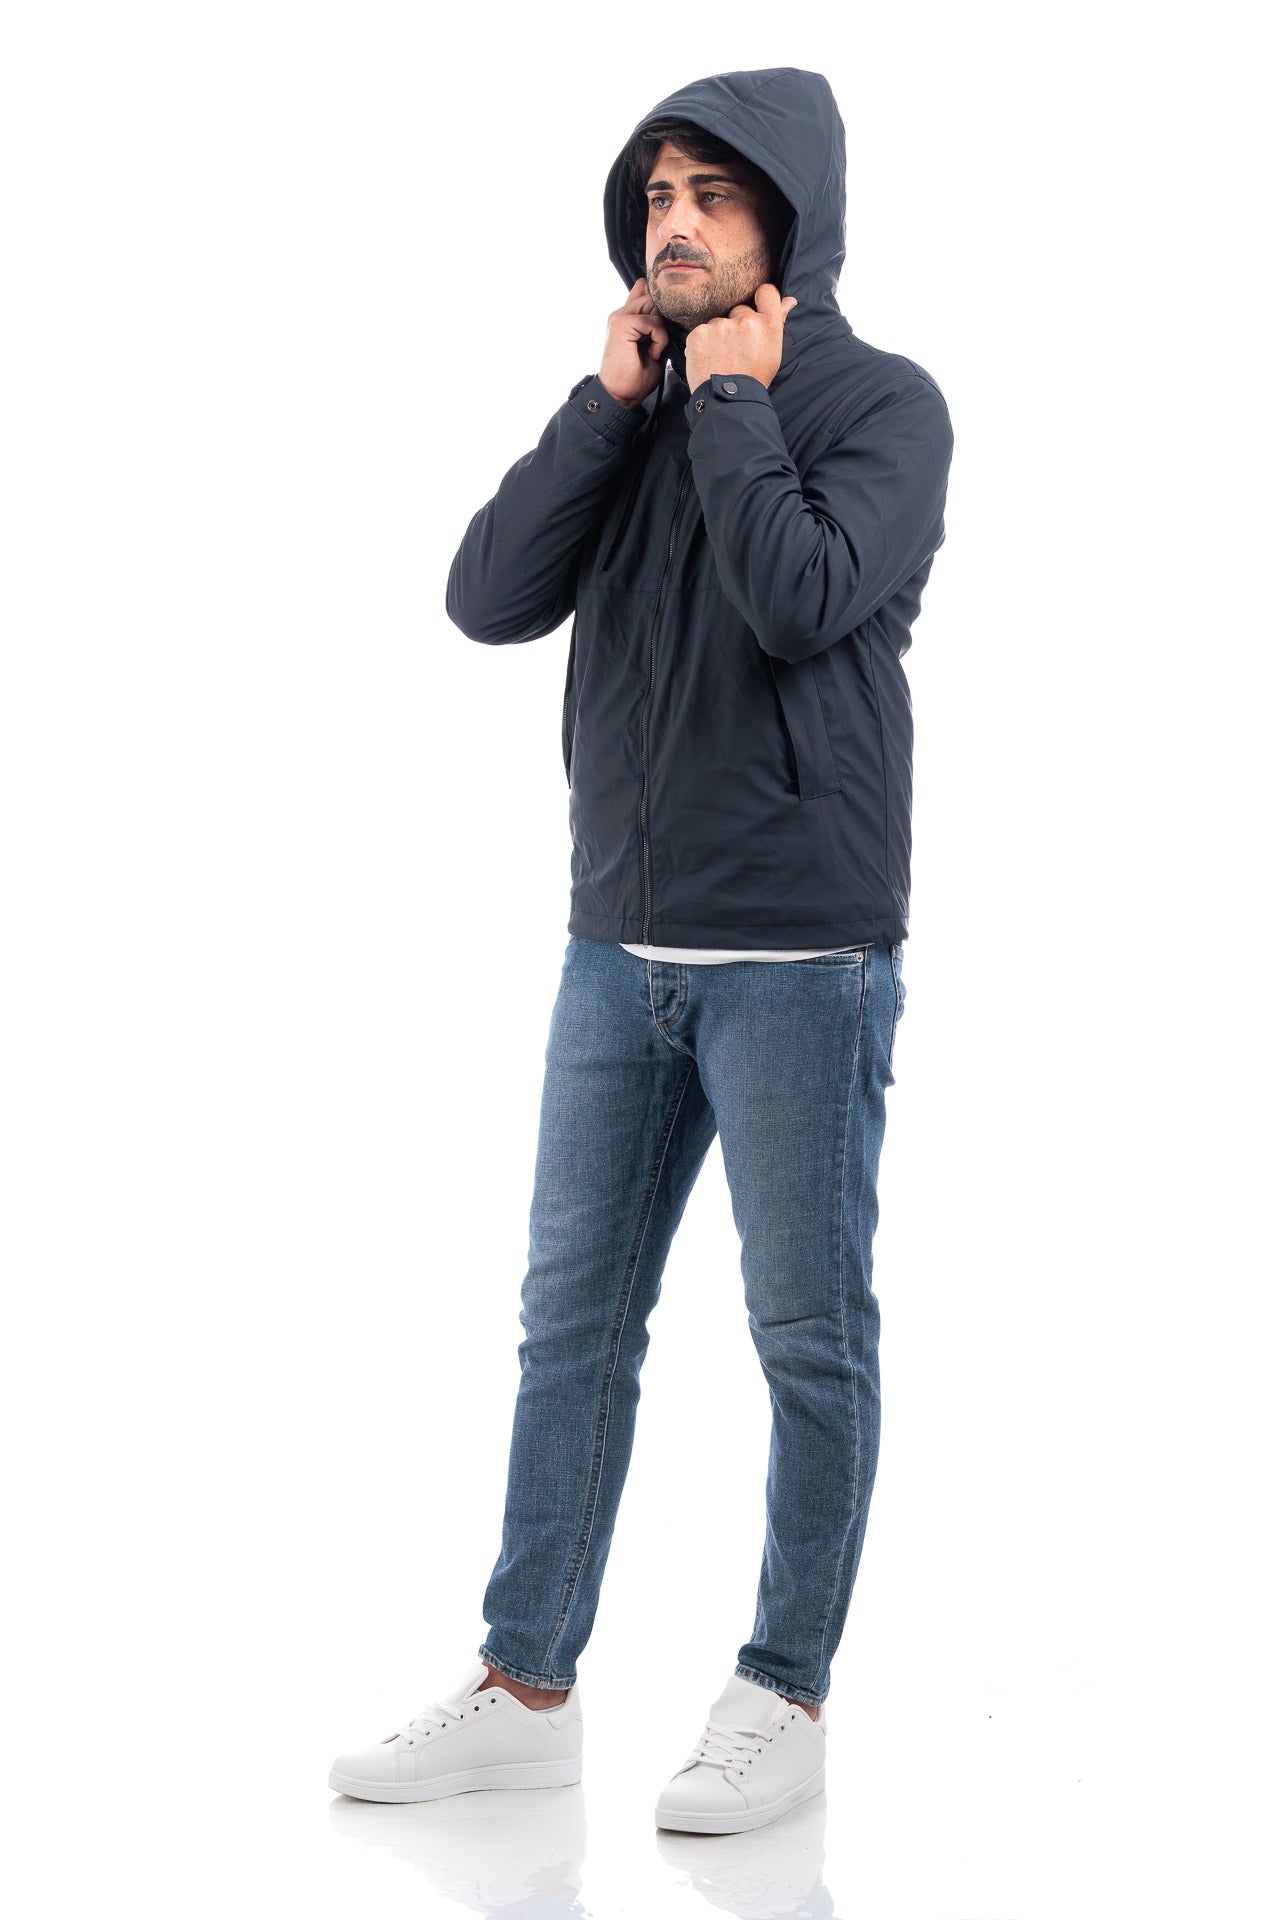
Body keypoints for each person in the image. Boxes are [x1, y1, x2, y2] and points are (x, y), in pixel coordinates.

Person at [329, 64, 953, 1836]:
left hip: (800, 958)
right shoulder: (639, 404)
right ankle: (527, 1684)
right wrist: (608, 412)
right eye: (657, 195)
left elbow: (802, 599)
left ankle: (782, 1693)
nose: (675, 223)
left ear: (788, 224)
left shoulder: (884, 404)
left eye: (712, 195)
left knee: (806, 1337)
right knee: (570, 1328)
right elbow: (486, 597)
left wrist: (735, 400)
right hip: (616, 946)